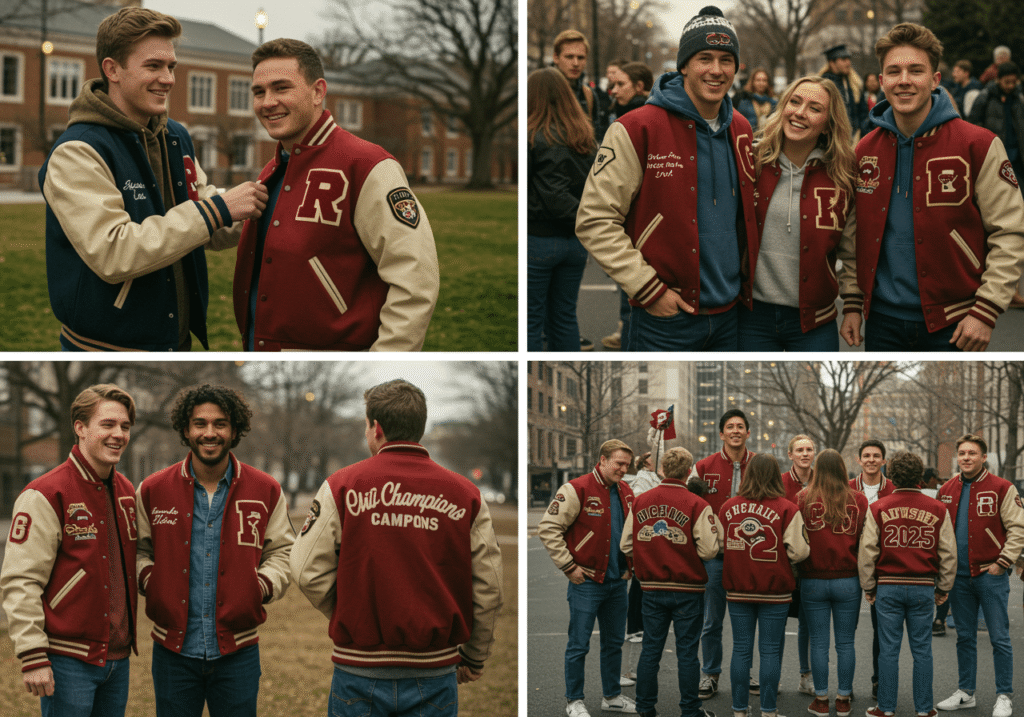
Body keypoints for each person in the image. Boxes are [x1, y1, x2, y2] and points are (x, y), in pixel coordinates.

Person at [39, 7, 268, 351]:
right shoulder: (78, 151)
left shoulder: (176, 136)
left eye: (171, 66)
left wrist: (269, 204)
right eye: (153, 66)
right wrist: (217, 210)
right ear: (112, 70)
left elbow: (207, 218)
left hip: (175, 342)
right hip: (103, 350)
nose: (168, 79)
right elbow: (114, 252)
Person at [291, 379, 503, 717]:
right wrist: (474, 655)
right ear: (420, 428)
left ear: (376, 428)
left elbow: (305, 570)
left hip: (358, 673)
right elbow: (489, 587)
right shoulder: (466, 494)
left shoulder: (341, 485)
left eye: (366, 425)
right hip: (434, 672)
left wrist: (356, 614)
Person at [235, 39, 439, 351]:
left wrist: (384, 362)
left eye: (281, 88)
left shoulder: (367, 165)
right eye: (259, 92)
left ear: (318, 91)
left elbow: (415, 279)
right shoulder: (271, 171)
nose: (268, 102)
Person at [576, 5, 758, 352]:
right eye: (704, 58)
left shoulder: (742, 129)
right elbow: (594, 219)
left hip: (730, 316)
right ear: (684, 64)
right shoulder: (636, 127)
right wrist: (649, 289)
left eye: (726, 60)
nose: (716, 70)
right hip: (663, 319)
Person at [839, 23, 1024, 352]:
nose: (904, 80)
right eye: (894, 71)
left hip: (956, 322)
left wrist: (987, 309)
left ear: (935, 79)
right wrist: (852, 302)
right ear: (881, 81)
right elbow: (853, 237)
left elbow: (1009, 231)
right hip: (881, 322)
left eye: (916, 70)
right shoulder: (864, 150)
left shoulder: (978, 145)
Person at [135, 384, 294, 716]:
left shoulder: (265, 489)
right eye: (200, 423)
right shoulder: (153, 489)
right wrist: (153, 581)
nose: (210, 433)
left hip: (238, 652)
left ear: (234, 430)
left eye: (220, 424)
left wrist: (260, 587)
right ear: (185, 429)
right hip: (172, 653)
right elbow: (138, 550)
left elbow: (282, 552)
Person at [0, 385, 139, 715]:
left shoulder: (125, 491)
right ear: (80, 427)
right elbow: (20, 580)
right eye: (107, 424)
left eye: (124, 426)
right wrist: (32, 654)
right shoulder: (46, 493)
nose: (118, 434)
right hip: (67, 660)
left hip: (117, 660)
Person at [739, 76, 856, 351]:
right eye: (794, 102)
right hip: (751, 316)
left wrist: (852, 305)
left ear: (828, 124)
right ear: (783, 107)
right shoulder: (751, 162)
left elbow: (852, 252)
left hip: (815, 322)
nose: (800, 113)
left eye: (815, 108)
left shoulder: (843, 176)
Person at [538, 439, 637, 717]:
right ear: (603, 460)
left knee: (613, 644)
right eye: (619, 463)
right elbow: (548, 528)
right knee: (579, 645)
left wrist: (630, 565)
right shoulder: (576, 488)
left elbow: (632, 533)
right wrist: (568, 566)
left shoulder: (627, 491)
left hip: (617, 582)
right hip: (587, 582)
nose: (624, 469)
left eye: (627, 465)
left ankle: (612, 696)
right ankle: (574, 700)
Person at [621, 447, 720, 717]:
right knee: (687, 653)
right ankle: (690, 710)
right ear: (688, 472)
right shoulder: (697, 504)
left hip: (652, 587)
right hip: (688, 588)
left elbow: (626, 544)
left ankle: (645, 708)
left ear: (663, 469)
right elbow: (709, 550)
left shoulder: (641, 501)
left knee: (651, 649)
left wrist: (650, 551)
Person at [859, 451, 956, 717]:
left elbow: (868, 551)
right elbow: (948, 553)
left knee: (888, 650)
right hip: (922, 585)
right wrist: (943, 588)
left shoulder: (878, 507)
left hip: (888, 585)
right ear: (919, 476)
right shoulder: (938, 508)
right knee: (922, 649)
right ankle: (924, 709)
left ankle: (886, 707)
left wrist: (868, 586)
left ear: (891, 474)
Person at [936, 434, 1024, 717]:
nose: (966, 458)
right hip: (959, 578)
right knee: (964, 637)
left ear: (984, 457)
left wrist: (1003, 562)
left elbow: (1018, 528)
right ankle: (966, 692)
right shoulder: (946, 489)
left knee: (999, 637)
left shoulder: (1002, 487)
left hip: (990, 575)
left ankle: (1004, 695)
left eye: (972, 453)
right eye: (962, 453)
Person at [720, 453, 810, 717]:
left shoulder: (728, 507)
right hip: (775, 589)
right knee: (770, 650)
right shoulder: (787, 508)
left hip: (738, 587)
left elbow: (719, 546)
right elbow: (800, 551)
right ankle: (769, 711)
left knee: (740, 648)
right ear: (775, 476)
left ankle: (739, 710)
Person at [527, 68, 596, 352]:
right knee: (565, 317)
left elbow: (552, 194)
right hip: (575, 241)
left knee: (532, 321)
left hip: (539, 237)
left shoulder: (534, 137)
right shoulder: (585, 138)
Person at [797, 449, 869, 717]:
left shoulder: (802, 498)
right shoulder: (859, 499)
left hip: (813, 578)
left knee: (818, 642)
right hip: (848, 579)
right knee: (846, 643)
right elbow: (865, 540)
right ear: (842, 469)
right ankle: (843, 699)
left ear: (817, 469)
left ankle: (821, 700)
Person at [694, 409, 755, 700]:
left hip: (749, 557)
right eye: (730, 427)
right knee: (712, 621)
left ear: (748, 433)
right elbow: (691, 506)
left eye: (740, 426)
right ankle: (710, 674)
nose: (735, 431)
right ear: (721, 434)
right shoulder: (704, 467)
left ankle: (746, 672)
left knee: (748, 621)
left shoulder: (760, 465)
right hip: (715, 557)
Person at [849, 438, 893, 698]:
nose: (871, 460)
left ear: (884, 460)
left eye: (876, 456)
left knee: (882, 630)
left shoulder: (893, 490)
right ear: (859, 460)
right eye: (866, 456)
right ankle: (846, 686)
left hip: (881, 567)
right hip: (849, 564)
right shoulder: (847, 489)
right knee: (847, 630)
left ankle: (879, 681)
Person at [780, 434, 817, 694]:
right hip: (783, 562)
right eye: (800, 450)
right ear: (790, 454)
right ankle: (774, 675)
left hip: (813, 562)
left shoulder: (821, 481)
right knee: (777, 623)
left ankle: (806, 676)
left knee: (808, 623)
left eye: (809, 449)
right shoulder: (780, 482)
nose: (805, 454)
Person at [553, 30, 603, 137]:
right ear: (556, 57)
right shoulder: (540, 92)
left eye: (581, 58)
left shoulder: (588, 95)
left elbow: (595, 138)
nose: (576, 63)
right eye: (569, 57)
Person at [820, 44, 868, 141]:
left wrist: (862, 132)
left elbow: (863, 112)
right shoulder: (823, 84)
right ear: (832, 63)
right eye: (843, 59)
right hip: (832, 139)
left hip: (855, 138)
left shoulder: (854, 83)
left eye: (848, 59)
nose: (848, 63)